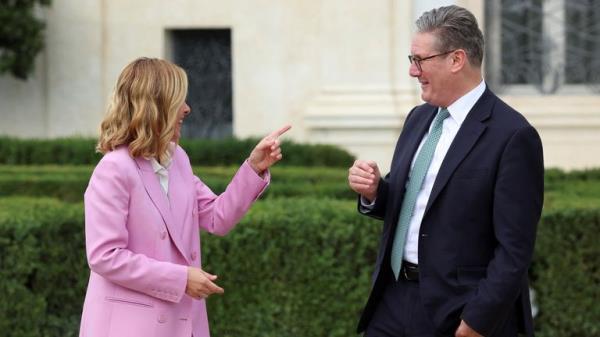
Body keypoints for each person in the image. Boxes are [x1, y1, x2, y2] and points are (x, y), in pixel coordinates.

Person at [348, 5, 543, 337]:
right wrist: (375, 192)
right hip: (392, 301)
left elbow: (515, 249)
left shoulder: (513, 136)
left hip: (456, 312)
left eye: (419, 60)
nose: (413, 71)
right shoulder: (418, 119)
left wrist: (476, 323)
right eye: (412, 60)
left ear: (456, 59)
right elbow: (411, 200)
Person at [79, 57, 290, 337]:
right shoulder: (114, 169)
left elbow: (218, 217)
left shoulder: (177, 159)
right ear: (155, 106)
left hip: (183, 325)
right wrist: (180, 279)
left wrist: (254, 167)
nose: (187, 109)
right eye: (180, 100)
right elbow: (105, 256)